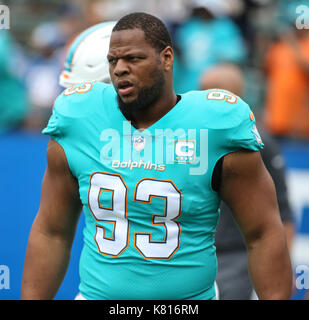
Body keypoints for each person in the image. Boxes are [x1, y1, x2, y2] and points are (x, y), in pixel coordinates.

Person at [21, 12, 292, 300]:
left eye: (133, 59)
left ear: (166, 58)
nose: (119, 70)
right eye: (112, 61)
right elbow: (52, 231)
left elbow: (263, 233)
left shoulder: (215, 123)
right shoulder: (78, 118)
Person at [199, 63, 295, 299]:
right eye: (202, 92)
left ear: (234, 96)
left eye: (212, 93)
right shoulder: (189, 140)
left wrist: (284, 269)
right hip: (196, 254)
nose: (203, 101)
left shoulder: (258, 143)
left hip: (237, 256)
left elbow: (282, 212)